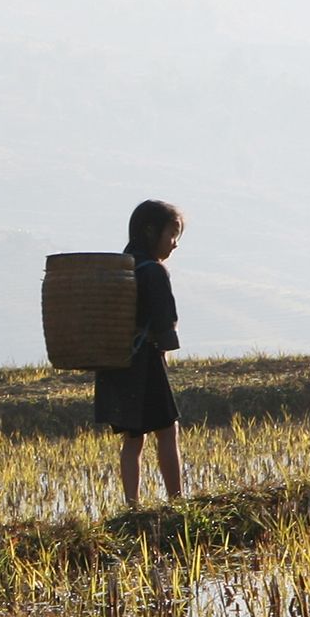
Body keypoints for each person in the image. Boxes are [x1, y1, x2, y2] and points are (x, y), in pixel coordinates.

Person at [96, 199, 186, 505]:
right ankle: (177, 500)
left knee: (133, 438)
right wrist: (168, 345)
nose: (174, 244)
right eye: (172, 235)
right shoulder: (153, 272)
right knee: (167, 430)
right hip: (146, 362)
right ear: (151, 232)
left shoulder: (119, 267)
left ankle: (132, 504)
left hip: (116, 362)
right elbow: (165, 321)